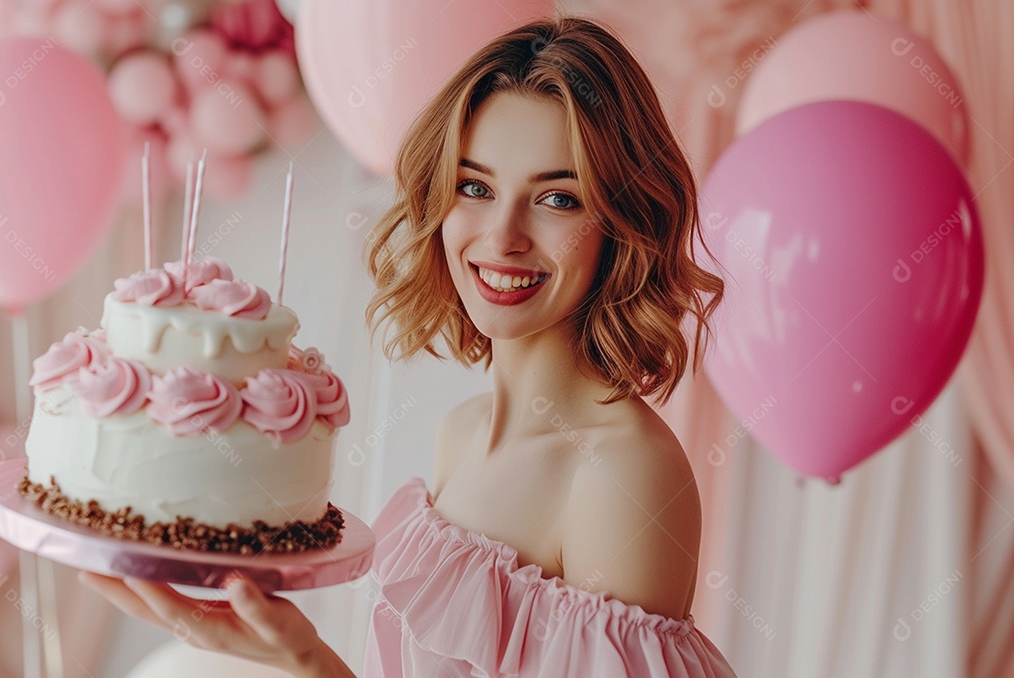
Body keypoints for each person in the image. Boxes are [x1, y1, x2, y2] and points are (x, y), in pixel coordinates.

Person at [81, 14, 738, 677]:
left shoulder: (623, 475)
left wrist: (307, 661)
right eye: (475, 187)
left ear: (622, 225)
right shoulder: (462, 432)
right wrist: (294, 655)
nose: (502, 236)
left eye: (559, 199)